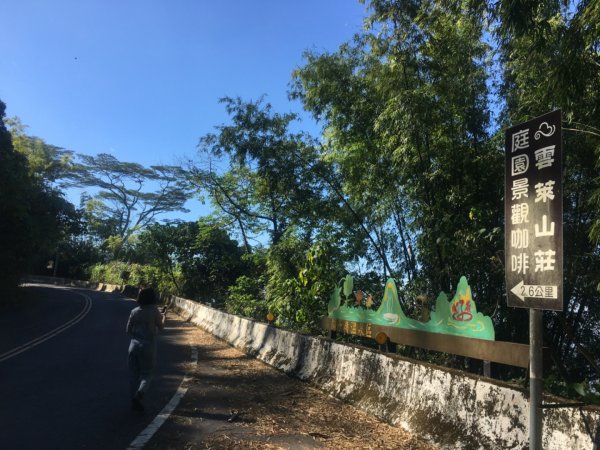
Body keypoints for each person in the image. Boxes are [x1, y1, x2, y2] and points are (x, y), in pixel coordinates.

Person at [126, 287, 166, 412]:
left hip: (133, 346)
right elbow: (161, 327)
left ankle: (133, 400)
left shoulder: (134, 311)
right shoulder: (154, 311)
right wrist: (164, 316)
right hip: (148, 346)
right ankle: (139, 394)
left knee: (134, 375)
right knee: (146, 374)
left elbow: (128, 330)